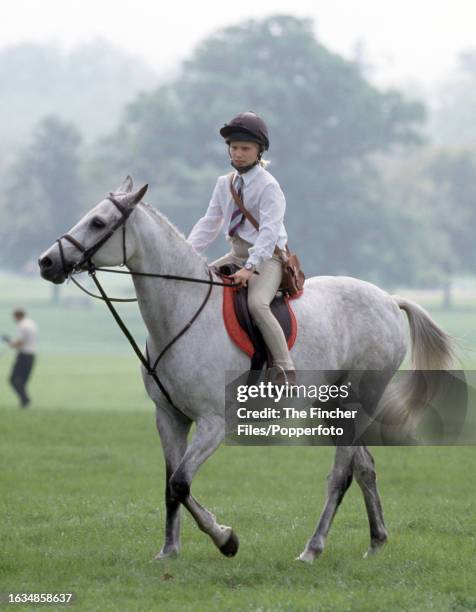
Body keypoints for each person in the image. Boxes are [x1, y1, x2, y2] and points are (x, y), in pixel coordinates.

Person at [187, 111, 295, 382]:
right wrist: (186, 254)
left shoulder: (269, 187)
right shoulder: (224, 183)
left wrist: (249, 269)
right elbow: (210, 222)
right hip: (235, 253)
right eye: (234, 148)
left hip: (267, 258)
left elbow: (269, 234)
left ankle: (284, 367)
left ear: (259, 151)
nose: (237, 153)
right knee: (196, 286)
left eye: (245, 148)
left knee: (257, 304)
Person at [5, 308, 38, 408]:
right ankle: (24, 401)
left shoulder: (22, 325)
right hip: (32, 355)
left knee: (13, 379)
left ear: (17, 316)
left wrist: (9, 342)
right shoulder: (31, 323)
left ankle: (25, 400)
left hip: (24, 355)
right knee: (23, 380)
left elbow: (20, 343)